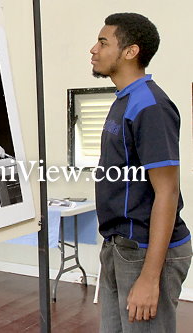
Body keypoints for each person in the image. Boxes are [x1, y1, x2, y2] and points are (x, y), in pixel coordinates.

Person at [91, 13, 191, 332]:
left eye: (103, 42)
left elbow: (167, 192)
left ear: (130, 52)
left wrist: (149, 278)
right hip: (119, 245)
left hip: (146, 251)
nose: (93, 49)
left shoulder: (151, 106)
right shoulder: (125, 100)